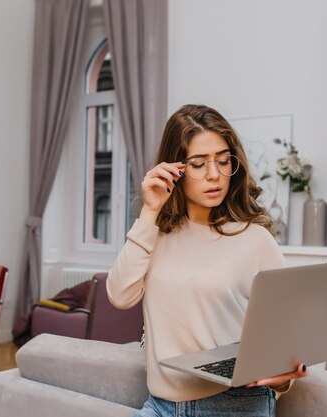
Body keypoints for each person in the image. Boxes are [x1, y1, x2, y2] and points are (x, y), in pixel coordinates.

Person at [107, 104, 308, 417]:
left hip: (235, 405)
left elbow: (283, 341)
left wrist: (283, 380)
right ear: (174, 168)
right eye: (198, 164)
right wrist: (149, 213)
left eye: (223, 161)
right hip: (161, 405)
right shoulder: (155, 234)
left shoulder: (255, 239)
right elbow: (120, 295)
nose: (215, 175)